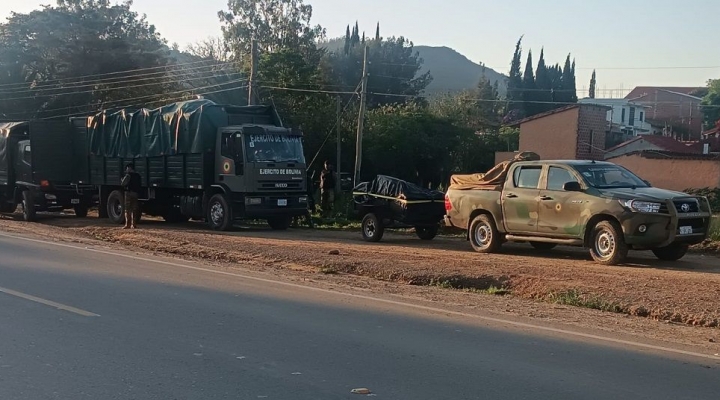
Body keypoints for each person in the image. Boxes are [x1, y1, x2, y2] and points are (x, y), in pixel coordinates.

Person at [120, 163, 142, 229]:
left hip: (129, 193)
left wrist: (122, 179)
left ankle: (127, 224)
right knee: (134, 209)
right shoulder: (138, 176)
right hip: (136, 194)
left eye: (127, 168)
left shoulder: (128, 176)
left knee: (127, 209)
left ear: (129, 168)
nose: (126, 170)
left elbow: (123, 184)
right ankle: (134, 224)